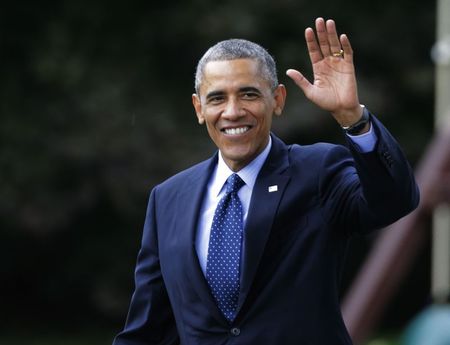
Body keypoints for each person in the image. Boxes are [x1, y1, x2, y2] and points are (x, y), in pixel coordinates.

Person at [112, 17, 419, 345]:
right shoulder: (168, 198)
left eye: (248, 94)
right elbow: (148, 330)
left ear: (278, 100)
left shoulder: (318, 171)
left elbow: (394, 200)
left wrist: (352, 118)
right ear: (198, 108)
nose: (232, 111)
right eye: (217, 99)